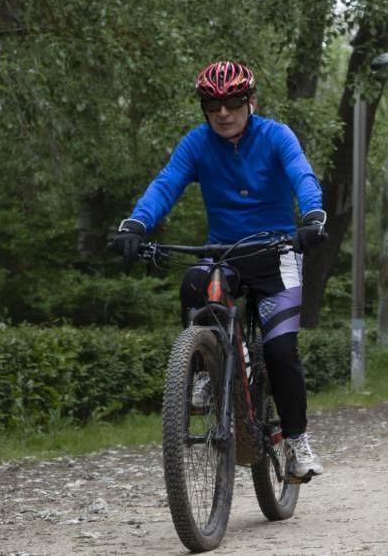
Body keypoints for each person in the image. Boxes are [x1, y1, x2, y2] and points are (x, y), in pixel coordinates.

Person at [110, 60, 329, 481]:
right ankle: (207, 368)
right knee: (195, 281)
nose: (223, 113)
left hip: (277, 251)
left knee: (281, 350)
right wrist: (136, 225)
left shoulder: (276, 136)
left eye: (232, 102)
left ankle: (298, 442)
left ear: (251, 102)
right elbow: (165, 184)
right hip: (223, 254)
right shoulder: (197, 145)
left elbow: (302, 175)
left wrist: (313, 216)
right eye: (213, 106)